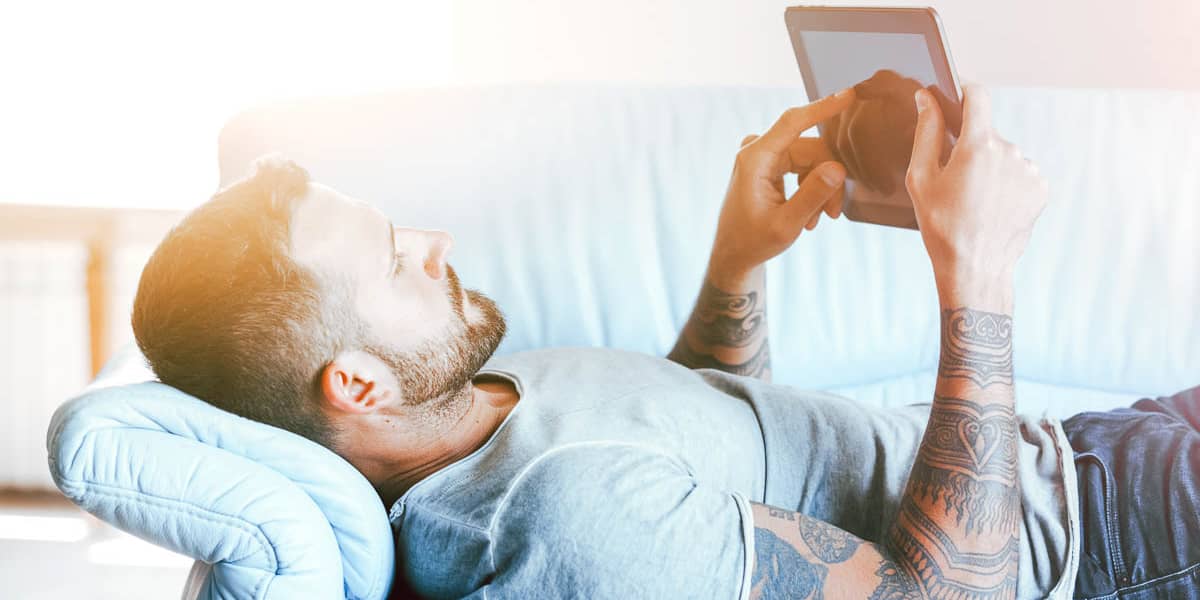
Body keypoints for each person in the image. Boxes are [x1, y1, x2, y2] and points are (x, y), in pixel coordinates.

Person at [130, 84, 1200, 600]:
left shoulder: (474, 408)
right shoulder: (569, 527)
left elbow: (709, 454)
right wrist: (980, 277)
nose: (436, 242)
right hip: (1118, 543)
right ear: (354, 384)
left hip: (1095, 454)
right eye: (395, 259)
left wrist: (738, 261)